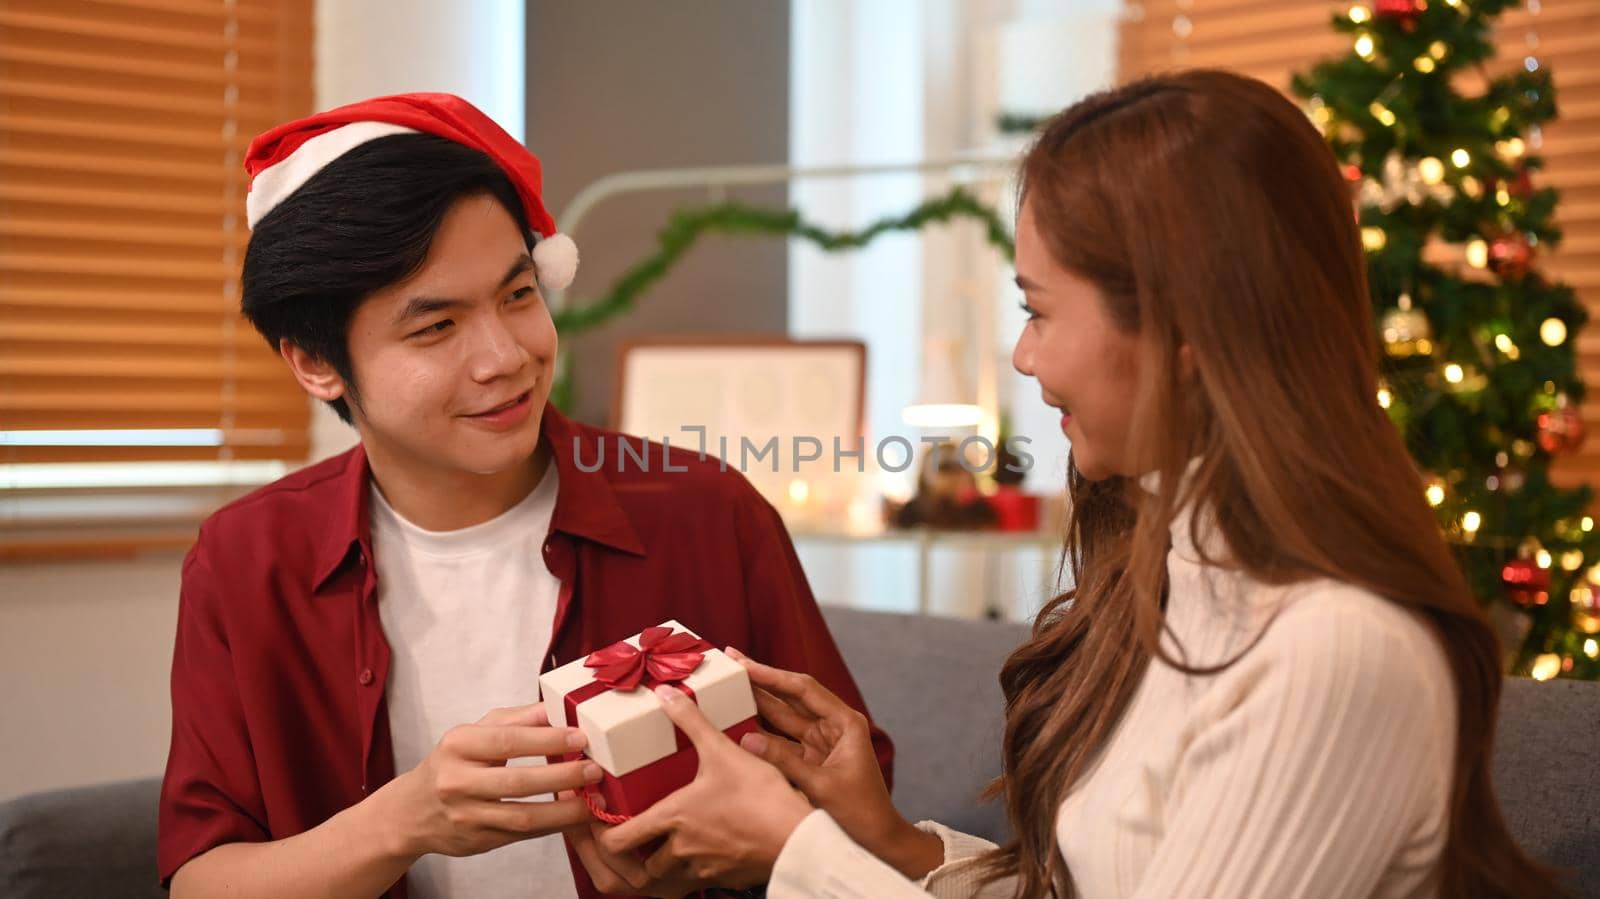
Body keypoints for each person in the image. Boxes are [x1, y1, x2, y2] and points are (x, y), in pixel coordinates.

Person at [571, 70, 1571, 898]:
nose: (1019, 355)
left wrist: (798, 852)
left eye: (1040, 311)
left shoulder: (1330, 652)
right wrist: (883, 839)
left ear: (1185, 333)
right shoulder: (1170, 569)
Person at [156, 93, 892, 899]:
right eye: (435, 328)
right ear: (315, 364)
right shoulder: (247, 561)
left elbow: (857, 818)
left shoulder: (706, 511)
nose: (505, 357)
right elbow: (204, 878)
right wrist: (408, 817)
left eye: (518, 295)